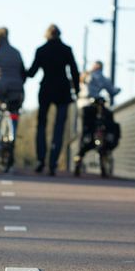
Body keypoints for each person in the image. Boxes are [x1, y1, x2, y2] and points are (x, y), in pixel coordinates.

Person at [26, 24, 80, 176]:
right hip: (62, 91)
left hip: (46, 90)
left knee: (41, 124)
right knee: (59, 128)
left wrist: (21, 71)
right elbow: (74, 71)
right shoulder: (66, 50)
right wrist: (77, 90)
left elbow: (32, 72)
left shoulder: (41, 50)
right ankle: (53, 161)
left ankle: (41, 159)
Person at [74, 61, 121, 174]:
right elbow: (112, 91)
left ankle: (80, 154)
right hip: (97, 105)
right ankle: (105, 142)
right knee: (107, 122)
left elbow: (79, 85)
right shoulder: (101, 77)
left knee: (86, 130)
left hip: (84, 105)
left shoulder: (86, 75)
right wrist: (117, 90)